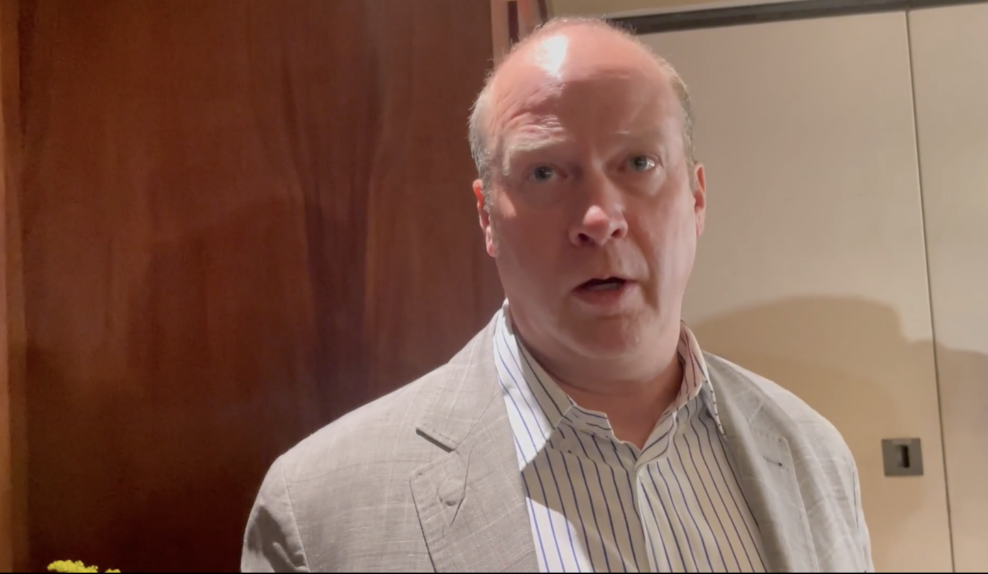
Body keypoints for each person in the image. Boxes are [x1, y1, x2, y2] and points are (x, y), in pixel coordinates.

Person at [241, 16, 873, 573]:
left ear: (697, 198)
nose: (599, 219)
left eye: (639, 163)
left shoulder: (810, 451)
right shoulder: (317, 512)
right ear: (487, 216)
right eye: (544, 172)